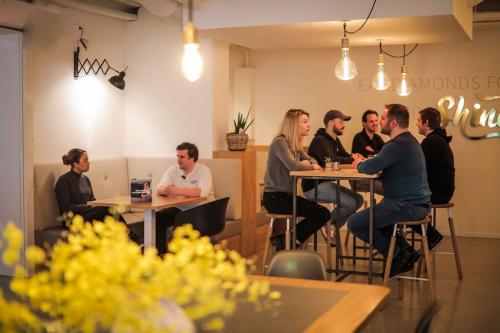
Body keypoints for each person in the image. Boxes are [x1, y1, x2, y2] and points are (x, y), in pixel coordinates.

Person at [347, 104, 431, 277]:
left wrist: (359, 164)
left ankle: (397, 255)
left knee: (355, 223)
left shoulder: (396, 144)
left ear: (393, 123)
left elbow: (370, 167)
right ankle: (406, 252)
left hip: (406, 205)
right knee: (377, 221)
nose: (380, 123)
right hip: (417, 204)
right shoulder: (409, 140)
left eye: (383, 119)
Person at [262, 109, 330, 250]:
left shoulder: (294, 146)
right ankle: (288, 241)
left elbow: (313, 160)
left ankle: (286, 239)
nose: (309, 125)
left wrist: (307, 164)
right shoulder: (280, 142)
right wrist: (308, 165)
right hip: (275, 198)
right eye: (304, 122)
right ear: (293, 124)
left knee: (322, 213)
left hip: (286, 197)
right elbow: (293, 165)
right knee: (322, 213)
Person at [55, 148, 141, 243]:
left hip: (87, 213)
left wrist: (92, 204)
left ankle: (127, 239)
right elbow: (66, 207)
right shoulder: (63, 181)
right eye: (85, 160)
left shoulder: (85, 179)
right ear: (75, 164)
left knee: (110, 210)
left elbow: (92, 199)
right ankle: (131, 238)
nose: (89, 163)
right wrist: (87, 206)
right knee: (108, 210)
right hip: (73, 219)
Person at [301, 110, 364, 232]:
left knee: (358, 200)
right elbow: (330, 160)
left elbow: (345, 156)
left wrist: (356, 157)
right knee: (350, 203)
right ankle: (328, 226)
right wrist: (352, 158)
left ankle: (332, 227)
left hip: (326, 184)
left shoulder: (334, 140)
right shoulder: (319, 140)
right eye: (340, 122)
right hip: (314, 186)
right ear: (330, 123)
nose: (343, 125)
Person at [155, 142, 214, 254]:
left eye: (182, 157)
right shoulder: (173, 170)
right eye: (177, 156)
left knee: (181, 222)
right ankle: (160, 255)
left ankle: (181, 260)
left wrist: (178, 191)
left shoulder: (203, 170)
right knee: (157, 217)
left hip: (200, 209)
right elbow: (158, 188)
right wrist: (166, 190)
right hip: (179, 209)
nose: (178, 160)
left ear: (192, 158)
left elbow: (202, 192)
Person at [415, 107, 456, 249]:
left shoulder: (431, 142)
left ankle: (432, 237)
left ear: (426, 122)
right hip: (443, 192)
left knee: (400, 204)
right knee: (400, 203)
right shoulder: (437, 140)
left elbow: (413, 165)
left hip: (437, 194)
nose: (416, 123)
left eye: (419, 120)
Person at [350, 110, 385, 194]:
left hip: (373, 176)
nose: (375, 123)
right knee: (389, 189)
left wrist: (374, 152)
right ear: (364, 123)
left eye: (376, 120)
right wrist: (376, 153)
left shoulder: (377, 138)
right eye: (371, 121)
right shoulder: (358, 138)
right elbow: (365, 157)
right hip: (360, 178)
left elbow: (385, 153)